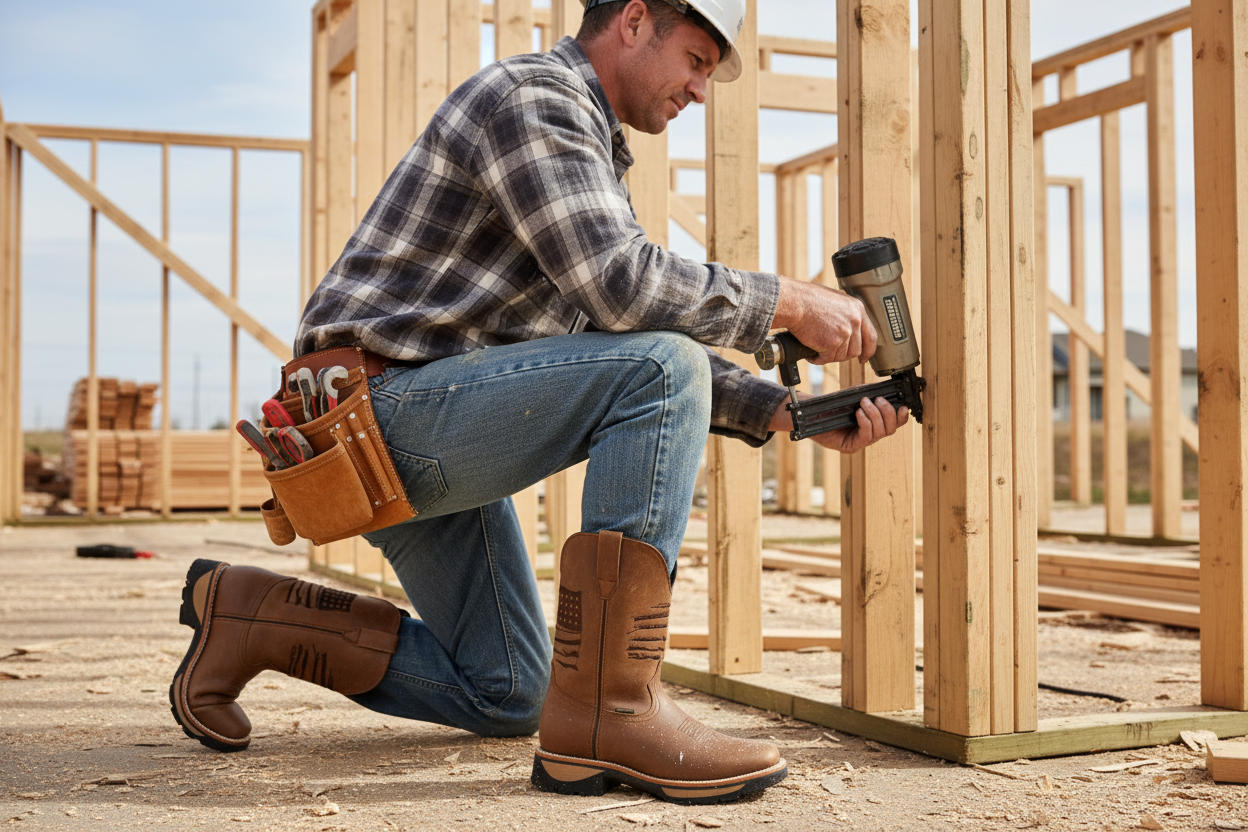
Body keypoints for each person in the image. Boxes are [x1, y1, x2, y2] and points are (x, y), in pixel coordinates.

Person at [168, 0, 909, 806]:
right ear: (634, 21)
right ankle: (614, 714)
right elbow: (623, 291)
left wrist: (785, 412)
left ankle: (249, 613)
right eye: (696, 60)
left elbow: (603, 325)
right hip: (381, 414)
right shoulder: (536, 99)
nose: (701, 89)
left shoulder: (581, 145)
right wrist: (789, 301)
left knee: (510, 690)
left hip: (387, 428)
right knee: (660, 368)